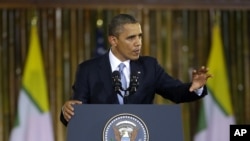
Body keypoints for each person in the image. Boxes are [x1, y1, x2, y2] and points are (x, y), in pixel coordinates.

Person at [60, 13, 211, 126]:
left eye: (140, 36)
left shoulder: (149, 67)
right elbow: (78, 110)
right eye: (131, 38)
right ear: (113, 40)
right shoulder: (88, 70)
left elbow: (175, 91)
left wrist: (195, 87)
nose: (138, 43)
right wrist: (67, 111)